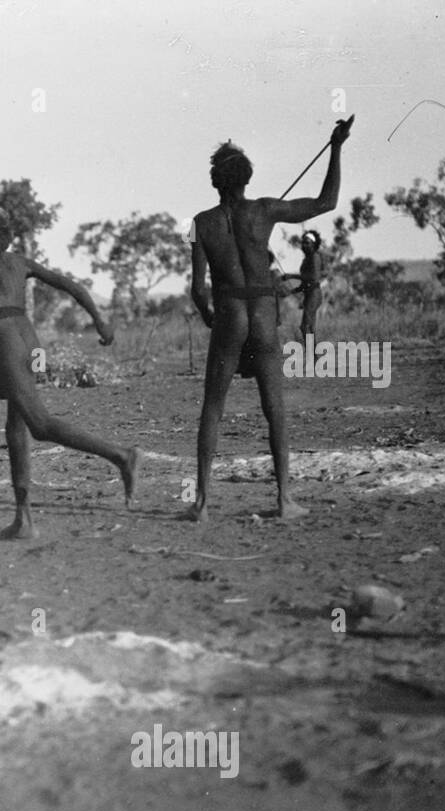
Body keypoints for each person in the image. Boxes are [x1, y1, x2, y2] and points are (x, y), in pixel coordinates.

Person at [187, 118, 350, 522]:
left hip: (228, 316)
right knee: (274, 407)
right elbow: (326, 202)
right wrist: (336, 148)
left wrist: (210, 317)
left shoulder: (201, 223)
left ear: (215, 181)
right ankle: (284, 500)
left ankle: (203, 504)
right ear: (247, 178)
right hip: (261, 316)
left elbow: (197, 289)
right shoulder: (264, 211)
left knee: (213, 407)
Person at [0, 212, 138, 539]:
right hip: (31, 341)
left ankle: (121, 455)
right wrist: (100, 319)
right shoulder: (19, 262)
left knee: (38, 424)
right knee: (16, 424)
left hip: (2, 341)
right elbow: (70, 285)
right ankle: (23, 520)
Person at [281, 230, 325, 342]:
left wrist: (291, 276)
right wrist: (292, 291)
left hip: (314, 294)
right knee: (310, 327)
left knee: (305, 327)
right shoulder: (307, 259)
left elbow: (313, 277)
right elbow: (305, 283)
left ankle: (313, 355)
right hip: (310, 294)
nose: (304, 245)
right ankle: (314, 356)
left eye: (307, 243)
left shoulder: (315, 257)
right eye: (303, 243)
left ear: (314, 244)